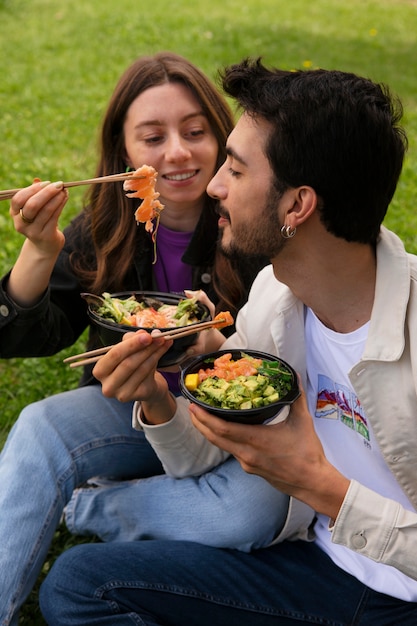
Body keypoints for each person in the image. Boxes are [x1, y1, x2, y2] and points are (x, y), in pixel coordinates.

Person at [38, 58, 417, 625]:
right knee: (79, 584)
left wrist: (321, 486)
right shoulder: (274, 297)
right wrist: (160, 401)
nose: (213, 185)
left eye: (235, 172)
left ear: (297, 206)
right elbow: (206, 454)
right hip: (315, 568)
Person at [0, 52, 275, 626]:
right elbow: (35, 333)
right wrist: (41, 249)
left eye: (196, 132)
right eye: (152, 137)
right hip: (129, 416)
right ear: (124, 155)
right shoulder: (103, 226)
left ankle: (95, 506)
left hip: (231, 430)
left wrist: (215, 349)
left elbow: (287, 356)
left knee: (252, 515)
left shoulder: (255, 225)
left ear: (225, 143)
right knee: (39, 426)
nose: (177, 152)